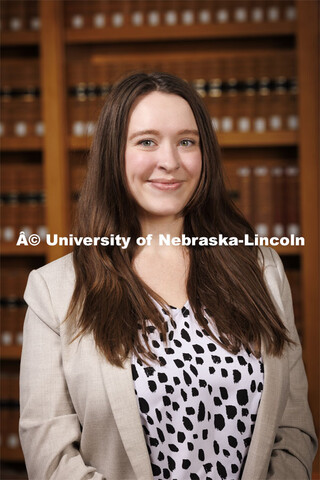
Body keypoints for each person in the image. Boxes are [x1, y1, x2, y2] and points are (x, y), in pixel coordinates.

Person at [19, 72, 317, 480]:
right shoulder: (54, 290)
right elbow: (49, 454)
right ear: (114, 155)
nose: (170, 161)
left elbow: (294, 427)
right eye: (146, 141)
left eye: (186, 141)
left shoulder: (262, 270)